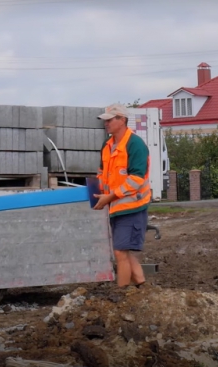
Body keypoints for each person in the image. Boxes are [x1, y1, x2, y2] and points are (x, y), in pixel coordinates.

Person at [93, 103, 150, 288]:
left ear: (122, 120)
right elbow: (103, 173)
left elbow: (136, 179)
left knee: (120, 252)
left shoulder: (135, 144)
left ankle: (121, 293)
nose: (106, 124)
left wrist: (109, 197)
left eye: (110, 120)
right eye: (105, 120)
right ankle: (141, 284)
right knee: (123, 251)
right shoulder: (107, 145)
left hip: (132, 206)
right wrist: (99, 193)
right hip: (115, 207)